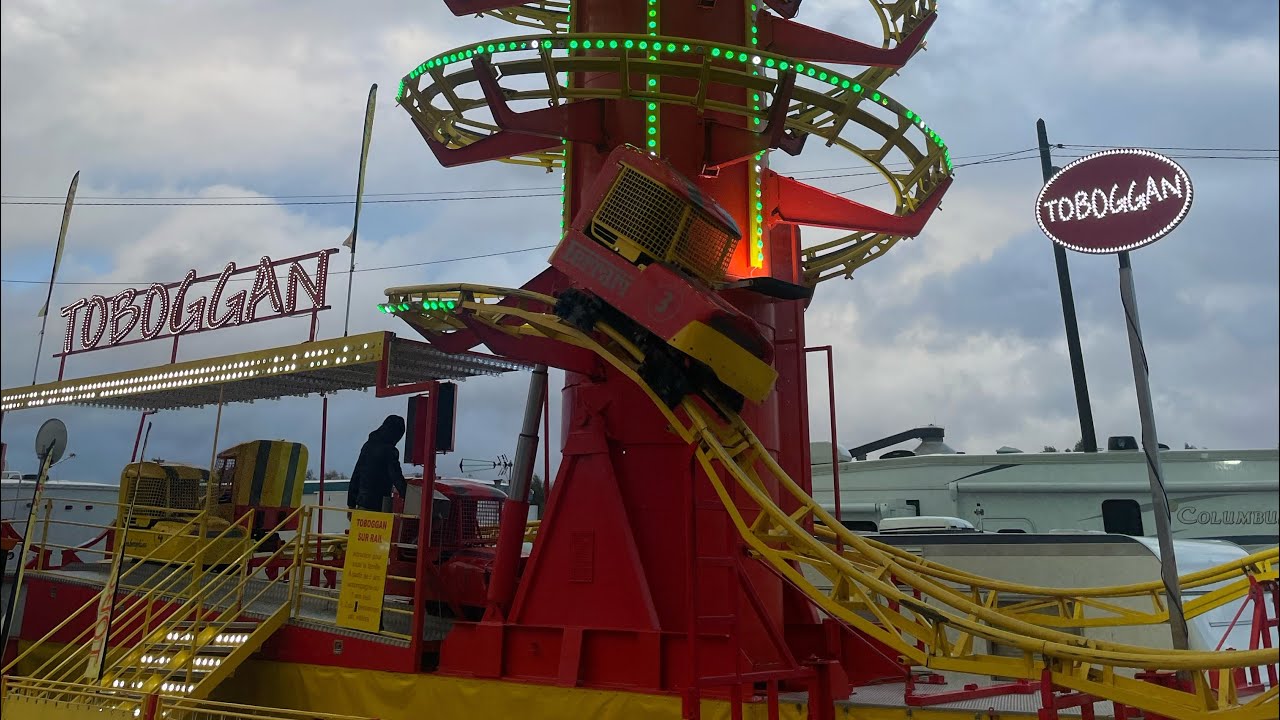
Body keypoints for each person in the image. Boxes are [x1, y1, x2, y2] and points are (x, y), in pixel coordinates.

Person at [348, 415, 408, 512]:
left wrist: (351, 504)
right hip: (380, 506)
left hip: (362, 505)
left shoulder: (367, 446)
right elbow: (396, 477)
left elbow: (356, 475)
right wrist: (407, 496)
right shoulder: (390, 451)